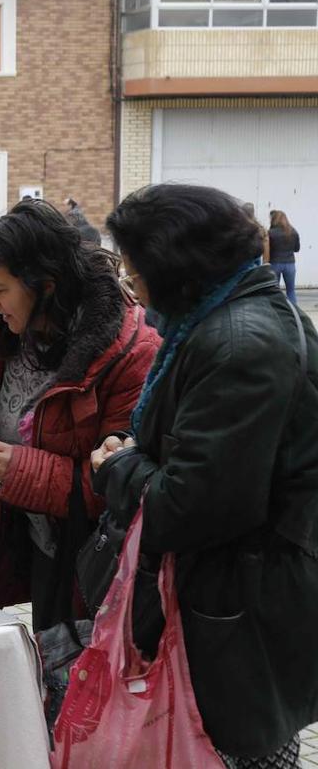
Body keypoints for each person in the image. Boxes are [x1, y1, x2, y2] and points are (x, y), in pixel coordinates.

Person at [95, 183, 318, 767]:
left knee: (235, 752)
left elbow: (192, 505)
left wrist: (120, 467)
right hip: (233, 599)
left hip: (240, 617)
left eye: (135, 271)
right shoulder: (219, 320)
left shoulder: (239, 343)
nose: (130, 285)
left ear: (175, 269)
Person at [0, 198, 159, 632]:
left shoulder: (127, 350)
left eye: (0, 289)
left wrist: (20, 467)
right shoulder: (6, 332)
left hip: (97, 561)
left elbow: (121, 479)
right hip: (39, 543)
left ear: (46, 286)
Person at [268, 208, 301, 304]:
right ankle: (295, 313)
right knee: (291, 291)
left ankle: (277, 311)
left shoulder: (271, 233)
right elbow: (297, 249)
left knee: (275, 290)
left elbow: (267, 249)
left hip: (275, 263)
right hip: (290, 264)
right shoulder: (293, 232)